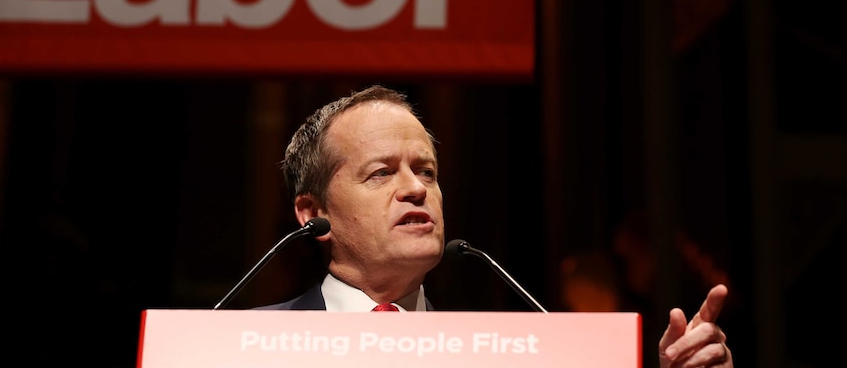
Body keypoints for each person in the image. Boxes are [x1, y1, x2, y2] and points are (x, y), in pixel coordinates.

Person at [257, 84, 734, 367]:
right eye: (381, 173)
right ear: (311, 214)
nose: (416, 189)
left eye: (426, 171)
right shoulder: (247, 347)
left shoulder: (511, 355)